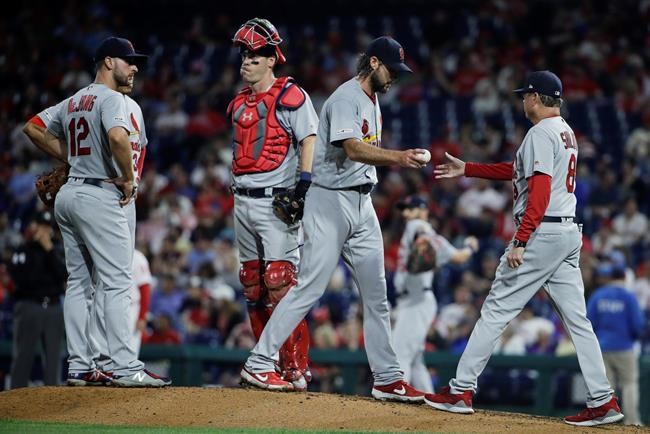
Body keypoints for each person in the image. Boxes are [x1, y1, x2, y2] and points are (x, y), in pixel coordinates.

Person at [427, 70, 623, 426]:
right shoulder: (564, 132)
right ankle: (603, 399)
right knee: (578, 321)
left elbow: (540, 191)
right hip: (565, 233)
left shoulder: (540, 132)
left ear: (535, 97)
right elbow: (518, 171)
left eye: (524, 95)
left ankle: (460, 390)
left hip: (542, 232)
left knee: (496, 309)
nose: (522, 101)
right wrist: (468, 168)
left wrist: (521, 239)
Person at [241, 36, 429, 402]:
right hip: (330, 200)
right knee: (309, 286)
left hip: (362, 202)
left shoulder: (372, 99)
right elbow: (353, 148)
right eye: (392, 69)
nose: (395, 78)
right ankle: (259, 361)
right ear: (374, 63)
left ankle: (388, 377)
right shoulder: (346, 97)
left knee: (377, 296)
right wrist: (401, 157)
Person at [24, 36, 169, 387]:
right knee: (119, 282)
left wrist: (71, 157)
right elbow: (120, 139)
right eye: (127, 60)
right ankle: (124, 366)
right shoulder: (113, 99)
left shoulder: (76, 99)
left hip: (71, 194)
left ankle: (79, 365)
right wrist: (129, 178)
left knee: (79, 283)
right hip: (102, 194)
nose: (134, 67)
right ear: (108, 62)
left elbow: (33, 126)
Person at [227, 18, 319, 389]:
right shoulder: (236, 103)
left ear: (272, 59)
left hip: (274, 201)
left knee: (280, 282)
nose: (248, 60)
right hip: (242, 200)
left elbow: (309, 139)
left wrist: (303, 186)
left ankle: (295, 367)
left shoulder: (290, 95)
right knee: (252, 284)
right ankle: (267, 366)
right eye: (245, 54)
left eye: (256, 55)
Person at [392, 195, 478, 393]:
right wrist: (469, 247)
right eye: (404, 209)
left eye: (411, 209)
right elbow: (458, 256)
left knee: (400, 353)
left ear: (423, 212)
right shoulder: (414, 230)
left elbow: (423, 233)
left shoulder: (419, 227)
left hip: (417, 301)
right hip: (412, 300)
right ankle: (428, 397)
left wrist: (423, 237)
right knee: (414, 358)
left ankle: (397, 395)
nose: (406, 213)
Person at [8, 210, 66, 388]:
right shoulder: (23, 249)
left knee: (53, 358)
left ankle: (51, 404)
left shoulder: (57, 249)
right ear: (32, 226)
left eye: (47, 226)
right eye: (40, 225)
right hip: (29, 305)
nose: (43, 230)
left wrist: (48, 250)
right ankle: (15, 401)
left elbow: (63, 275)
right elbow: (20, 280)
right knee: (23, 356)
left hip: (54, 307)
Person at [587, 259, 644, 425]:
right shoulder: (629, 297)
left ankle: (606, 421)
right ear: (625, 277)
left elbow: (589, 323)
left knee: (606, 387)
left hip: (601, 347)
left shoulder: (598, 295)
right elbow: (638, 324)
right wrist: (631, 339)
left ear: (610, 277)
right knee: (629, 383)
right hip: (624, 347)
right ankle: (632, 422)